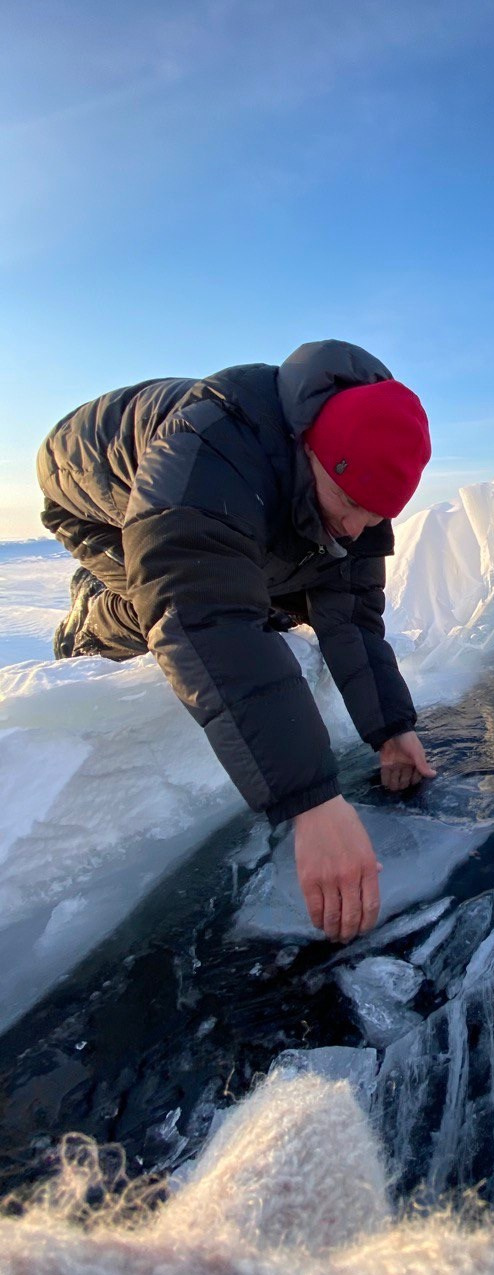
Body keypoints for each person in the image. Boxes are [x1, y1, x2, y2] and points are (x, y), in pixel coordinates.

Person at [36, 339, 435, 945]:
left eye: (376, 517)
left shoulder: (350, 478)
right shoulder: (209, 449)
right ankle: (96, 610)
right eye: (351, 505)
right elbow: (202, 614)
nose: (358, 528)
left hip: (240, 498)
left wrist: (390, 728)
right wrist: (312, 802)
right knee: (170, 604)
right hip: (91, 489)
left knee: (282, 602)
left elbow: (351, 613)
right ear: (313, 454)